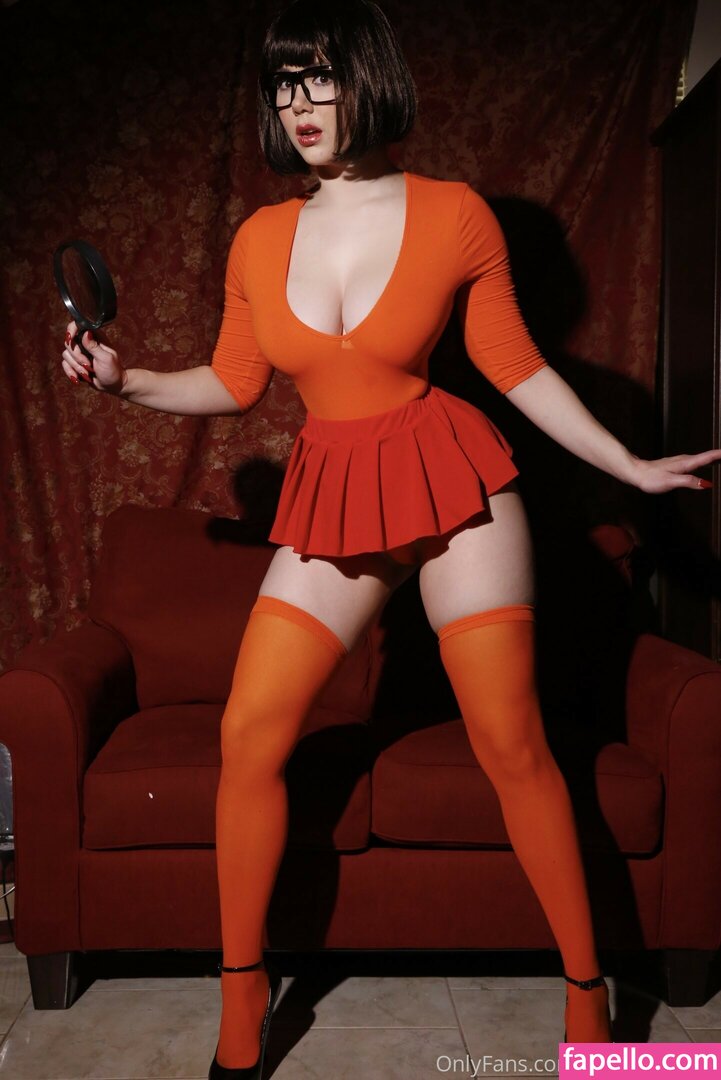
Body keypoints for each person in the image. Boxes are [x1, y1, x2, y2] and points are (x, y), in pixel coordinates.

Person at [60, 1, 719, 1076]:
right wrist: (124, 377)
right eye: (284, 84)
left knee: (511, 745)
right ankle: (242, 998)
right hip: (333, 492)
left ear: (367, 79)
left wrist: (630, 464)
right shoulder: (258, 238)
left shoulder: (455, 214)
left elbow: (515, 366)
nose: (300, 103)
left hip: (456, 487)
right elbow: (233, 380)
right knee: (249, 735)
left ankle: (587, 996)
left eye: (319, 77)